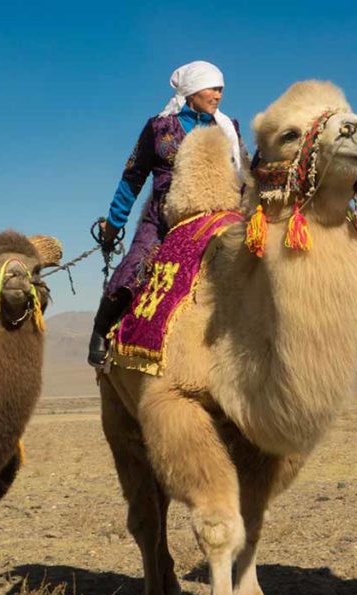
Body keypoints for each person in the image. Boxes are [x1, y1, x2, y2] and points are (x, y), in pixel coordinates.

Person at [88, 60, 247, 367]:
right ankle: (100, 330)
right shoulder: (158, 128)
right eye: (212, 88)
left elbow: (244, 176)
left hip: (219, 218)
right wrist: (113, 225)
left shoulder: (229, 129)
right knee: (134, 267)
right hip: (162, 221)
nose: (218, 95)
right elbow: (132, 177)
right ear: (192, 92)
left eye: (221, 89)